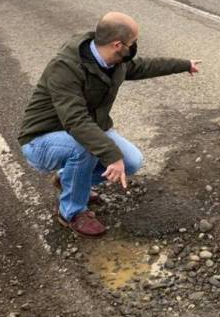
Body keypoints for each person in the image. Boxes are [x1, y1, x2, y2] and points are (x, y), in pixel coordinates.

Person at [17, 12, 200, 237]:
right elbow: (76, 121)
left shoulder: (115, 62)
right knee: (87, 147)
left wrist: (184, 65)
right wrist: (112, 156)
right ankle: (71, 213)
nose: (134, 48)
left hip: (82, 131)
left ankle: (69, 179)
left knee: (132, 162)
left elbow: (144, 66)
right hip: (42, 139)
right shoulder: (66, 67)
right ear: (117, 44)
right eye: (133, 43)